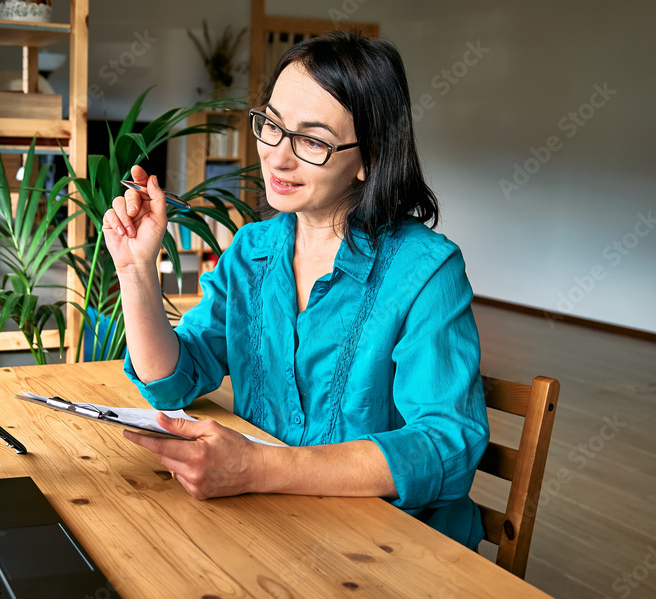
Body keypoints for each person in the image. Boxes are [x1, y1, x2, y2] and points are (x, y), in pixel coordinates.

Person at [101, 31, 489, 550]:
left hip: (392, 551)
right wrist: (136, 270)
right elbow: (172, 381)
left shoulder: (426, 271)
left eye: (312, 140)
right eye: (273, 126)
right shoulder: (252, 250)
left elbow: (446, 444)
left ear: (369, 158)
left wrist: (259, 466)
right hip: (268, 526)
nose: (278, 159)